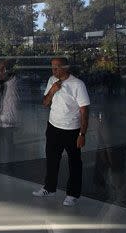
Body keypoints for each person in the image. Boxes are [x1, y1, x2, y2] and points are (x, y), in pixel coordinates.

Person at [33, 57, 90, 207]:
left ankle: (73, 194)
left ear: (66, 67)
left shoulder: (78, 84)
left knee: (74, 163)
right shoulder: (52, 80)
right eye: (52, 67)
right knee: (52, 160)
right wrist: (52, 91)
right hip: (53, 127)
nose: (54, 70)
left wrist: (82, 134)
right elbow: (45, 103)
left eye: (57, 67)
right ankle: (49, 188)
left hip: (72, 130)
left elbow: (85, 111)